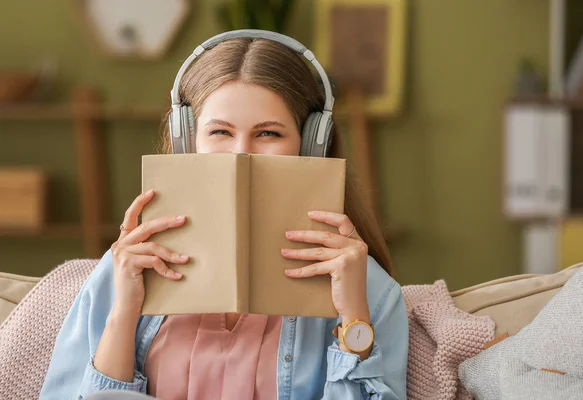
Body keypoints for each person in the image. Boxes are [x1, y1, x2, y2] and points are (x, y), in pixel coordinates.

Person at [40, 30, 409, 400]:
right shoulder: (123, 269)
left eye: (268, 133)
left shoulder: (369, 289)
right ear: (187, 141)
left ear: (312, 142)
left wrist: (354, 317)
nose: (241, 154)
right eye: (219, 131)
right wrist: (124, 312)